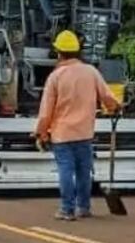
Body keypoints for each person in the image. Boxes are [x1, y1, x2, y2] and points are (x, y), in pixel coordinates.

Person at [34, 30, 119, 221]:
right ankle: (84, 207)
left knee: (66, 171)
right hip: (85, 133)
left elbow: (46, 111)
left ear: (59, 52)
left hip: (62, 134)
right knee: (84, 172)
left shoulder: (55, 77)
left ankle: (66, 209)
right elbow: (107, 97)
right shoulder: (91, 71)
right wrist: (115, 108)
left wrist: (41, 133)